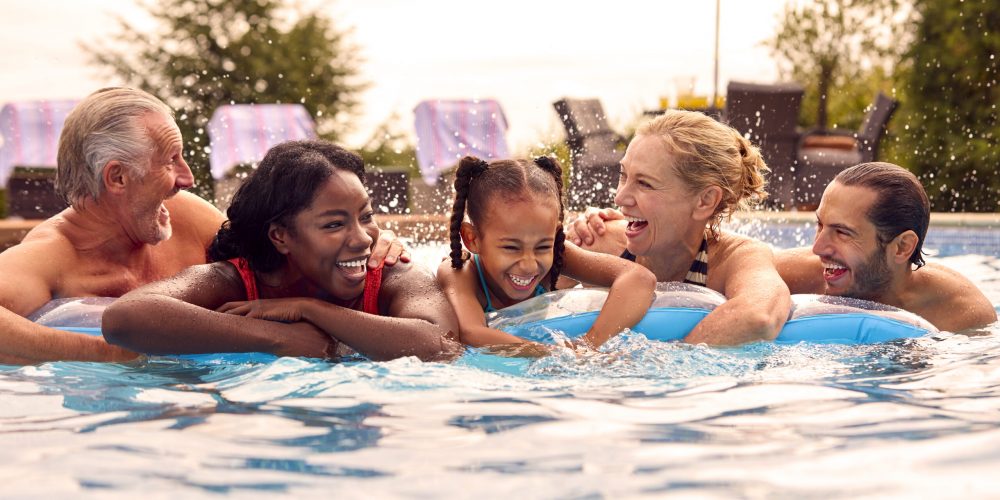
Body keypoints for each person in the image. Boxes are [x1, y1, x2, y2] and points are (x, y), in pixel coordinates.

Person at [0, 87, 405, 364]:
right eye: (171, 159)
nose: (187, 177)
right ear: (117, 177)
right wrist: (119, 354)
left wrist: (367, 239)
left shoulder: (187, 217)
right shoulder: (49, 257)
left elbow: (287, 250)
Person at [103, 140, 461, 361]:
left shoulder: (389, 273)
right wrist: (281, 338)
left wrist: (311, 310)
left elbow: (443, 345)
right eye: (334, 224)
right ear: (280, 237)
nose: (363, 238)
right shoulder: (239, 280)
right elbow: (125, 317)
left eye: (365, 216)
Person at [565, 110, 790, 345]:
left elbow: (759, 316)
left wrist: (664, 363)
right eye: (623, 176)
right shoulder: (599, 242)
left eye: (644, 183)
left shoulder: (735, 258)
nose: (620, 198)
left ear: (704, 201)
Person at [436, 155, 656, 351]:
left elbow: (640, 279)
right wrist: (553, 353)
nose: (529, 264)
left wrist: (590, 345)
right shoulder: (460, 272)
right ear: (472, 238)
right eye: (511, 248)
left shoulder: (559, 253)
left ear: (555, 234)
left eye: (542, 247)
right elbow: (471, 333)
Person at [775, 162, 996, 332]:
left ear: (902, 247)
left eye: (842, 232)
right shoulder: (794, 275)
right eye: (820, 225)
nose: (818, 248)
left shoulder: (962, 315)